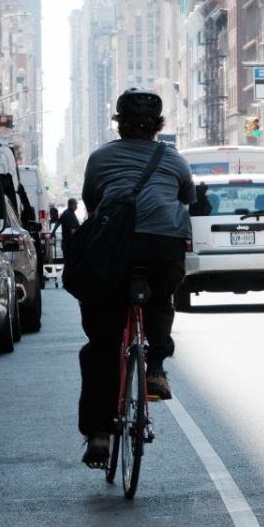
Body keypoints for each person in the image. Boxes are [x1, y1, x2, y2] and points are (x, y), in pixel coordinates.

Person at [76, 88, 195, 468]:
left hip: (116, 246)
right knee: (162, 298)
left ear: (119, 123)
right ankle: (156, 369)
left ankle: (98, 434)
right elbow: (186, 198)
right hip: (164, 246)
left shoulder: (100, 158)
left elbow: (93, 203)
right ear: (158, 126)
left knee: (102, 344)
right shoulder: (173, 159)